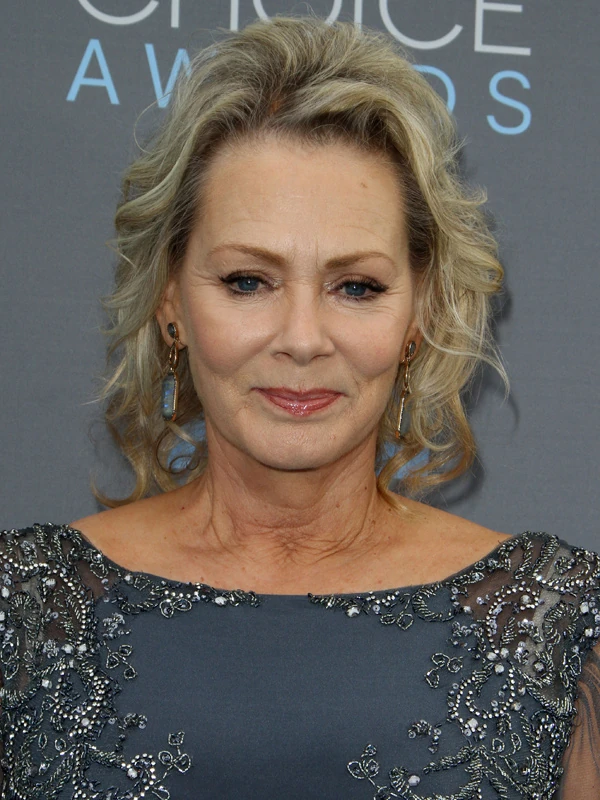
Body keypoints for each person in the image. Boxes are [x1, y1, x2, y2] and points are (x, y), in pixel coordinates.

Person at [1, 15, 598, 800]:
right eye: (248, 281)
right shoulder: (29, 611)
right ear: (170, 300)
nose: (303, 339)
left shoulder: (550, 623)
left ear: (419, 312)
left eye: (357, 287)